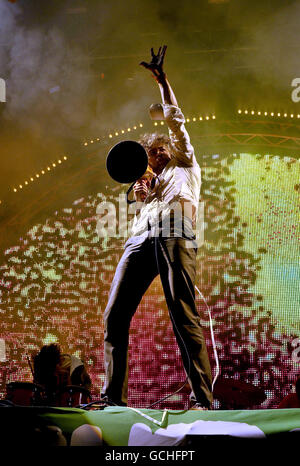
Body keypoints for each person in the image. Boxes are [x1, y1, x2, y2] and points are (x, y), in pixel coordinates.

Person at [101, 46, 213, 410]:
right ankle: (111, 398)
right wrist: (137, 194)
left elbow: (176, 120)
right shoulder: (146, 187)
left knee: (183, 313)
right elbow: (135, 193)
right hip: (139, 239)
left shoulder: (185, 165)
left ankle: (202, 399)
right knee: (115, 316)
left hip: (176, 231)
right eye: (152, 153)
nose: (158, 154)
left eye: (161, 148)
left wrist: (163, 83)